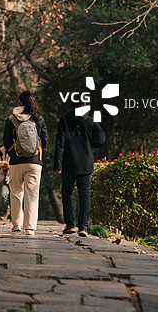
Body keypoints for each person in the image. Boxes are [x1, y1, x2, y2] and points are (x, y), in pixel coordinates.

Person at [54, 100, 105, 236]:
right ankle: (83, 227)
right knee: (84, 195)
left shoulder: (65, 120)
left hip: (68, 162)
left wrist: (57, 164)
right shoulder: (90, 121)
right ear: (83, 105)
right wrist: (89, 145)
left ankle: (70, 225)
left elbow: (60, 144)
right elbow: (100, 139)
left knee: (67, 193)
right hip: (85, 163)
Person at [3, 90, 48, 236]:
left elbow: (6, 140)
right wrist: (38, 153)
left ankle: (17, 225)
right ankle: (30, 228)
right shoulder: (39, 119)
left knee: (16, 192)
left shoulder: (11, 119)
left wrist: (13, 153)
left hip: (16, 162)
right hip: (35, 162)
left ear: (20, 102)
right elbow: (45, 139)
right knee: (32, 194)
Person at [0, 145, 10, 219]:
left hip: (15, 176)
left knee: (17, 196)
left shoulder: (19, 147)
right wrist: (5, 164)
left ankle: (15, 215)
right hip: (4, 177)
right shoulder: (2, 150)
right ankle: (6, 211)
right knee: (3, 195)